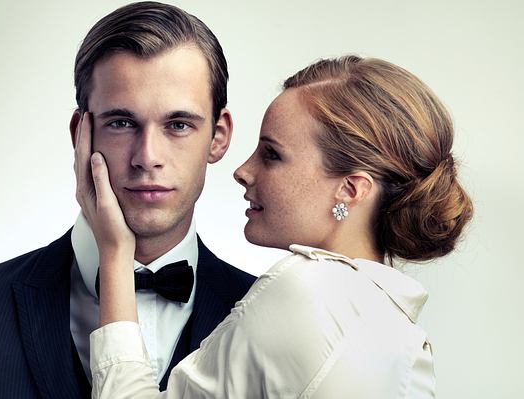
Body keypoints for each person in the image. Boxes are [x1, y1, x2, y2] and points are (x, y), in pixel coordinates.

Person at [0, 2, 255, 398]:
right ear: (80, 132)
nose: (147, 156)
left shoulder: (267, 315)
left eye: (178, 125)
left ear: (218, 136)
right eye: (121, 123)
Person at [77, 56, 473, 398]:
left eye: (271, 154)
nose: (242, 170)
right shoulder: (394, 324)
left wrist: (114, 255)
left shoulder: (310, 292)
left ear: (350, 189)